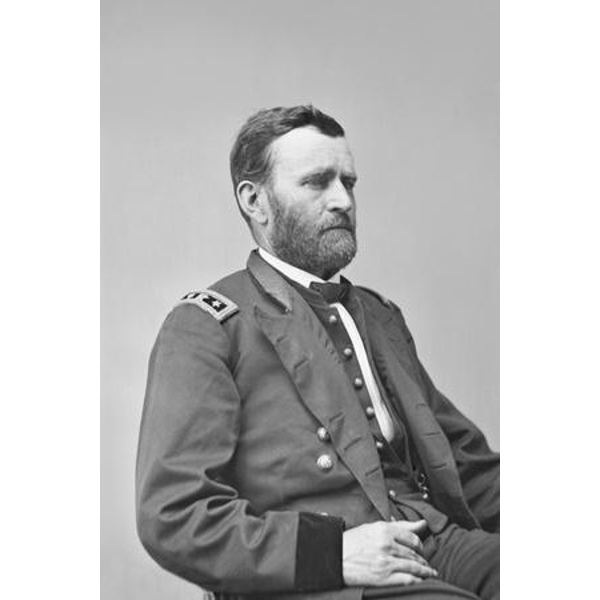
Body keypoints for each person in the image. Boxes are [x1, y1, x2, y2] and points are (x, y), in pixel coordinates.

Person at [136, 105, 500, 600]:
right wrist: (332, 553)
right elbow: (174, 514)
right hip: (318, 576)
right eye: (316, 182)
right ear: (255, 201)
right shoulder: (206, 326)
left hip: (430, 541)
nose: (342, 201)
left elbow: (467, 465)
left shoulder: (380, 317)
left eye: (348, 182)